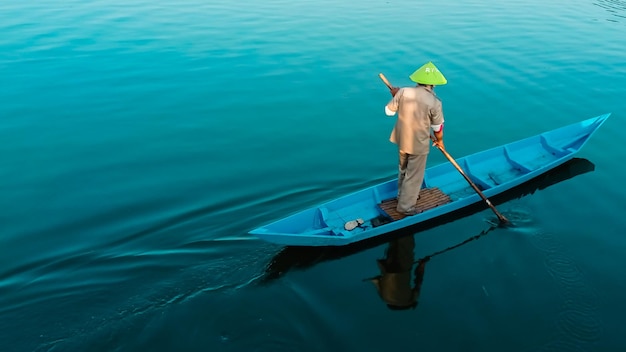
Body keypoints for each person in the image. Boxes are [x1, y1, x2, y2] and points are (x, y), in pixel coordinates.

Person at [385, 61, 447, 215]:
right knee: (414, 175)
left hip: (402, 139)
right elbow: (437, 128)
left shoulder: (404, 92)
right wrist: (440, 141)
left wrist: (396, 96)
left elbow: (389, 111)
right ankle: (405, 207)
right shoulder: (435, 102)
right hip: (418, 143)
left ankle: (402, 196)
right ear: (433, 85)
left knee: (403, 169)